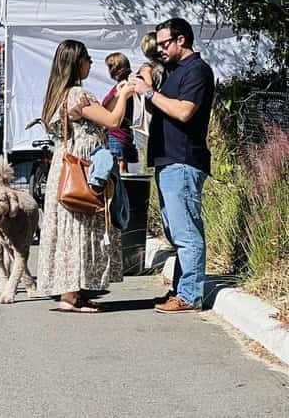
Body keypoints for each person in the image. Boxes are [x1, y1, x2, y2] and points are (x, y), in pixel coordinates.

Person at [36, 40, 134, 313]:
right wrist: (125, 95)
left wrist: (118, 94)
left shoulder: (57, 94)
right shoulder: (78, 94)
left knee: (68, 229)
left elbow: (102, 115)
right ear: (76, 63)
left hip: (64, 166)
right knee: (81, 227)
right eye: (88, 58)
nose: (91, 63)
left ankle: (73, 292)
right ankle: (70, 295)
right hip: (83, 166)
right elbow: (113, 121)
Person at [130, 18, 215, 313]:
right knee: (176, 231)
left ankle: (190, 295)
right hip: (167, 159)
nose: (160, 49)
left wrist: (151, 93)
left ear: (182, 40)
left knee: (187, 232)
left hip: (184, 159)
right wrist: (146, 85)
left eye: (165, 43)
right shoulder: (176, 71)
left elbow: (183, 111)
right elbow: (161, 106)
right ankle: (181, 289)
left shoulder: (198, 71)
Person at [102, 53, 138, 169]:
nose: (110, 70)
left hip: (118, 134)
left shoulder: (125, 86)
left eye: (112, 66)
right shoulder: (122, 86)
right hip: (118, 134)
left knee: (119, 170)